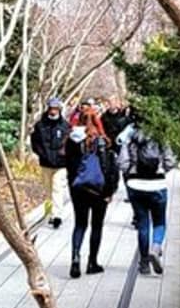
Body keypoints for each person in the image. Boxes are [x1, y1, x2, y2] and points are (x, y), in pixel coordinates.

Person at [65, 109, 119, 278]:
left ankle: (75, 258)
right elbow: (109, 168)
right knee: (96, 225)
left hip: (78, 188)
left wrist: (72, 185)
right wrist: (110, 191)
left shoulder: (71, 140)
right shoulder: (102, 141)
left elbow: (68, 165)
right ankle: (92, 262)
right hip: (98, 190)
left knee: (80, 224)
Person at [117, 124, 177, 275]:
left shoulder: (130, 136)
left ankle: (144, 263)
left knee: (143, 224)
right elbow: (170, 162)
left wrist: (131, 172)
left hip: (135, 185)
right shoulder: (160, 137)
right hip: (158, 185)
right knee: (159, 221)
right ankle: (155, 248)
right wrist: (161, 170)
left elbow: (122, 163)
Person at [31, 98, 70, 229]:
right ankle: (49, 213)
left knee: (57, 188)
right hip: (45, 163)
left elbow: (69, 144)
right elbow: (35, 143)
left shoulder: (65, 126)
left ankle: (56, 216)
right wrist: (42, 154)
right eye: (51, 108)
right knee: (48, 190)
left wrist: (65, 155)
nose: (53, 111)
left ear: (59, 109)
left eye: (56, 108)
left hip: (61, 164)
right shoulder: (40, 125)